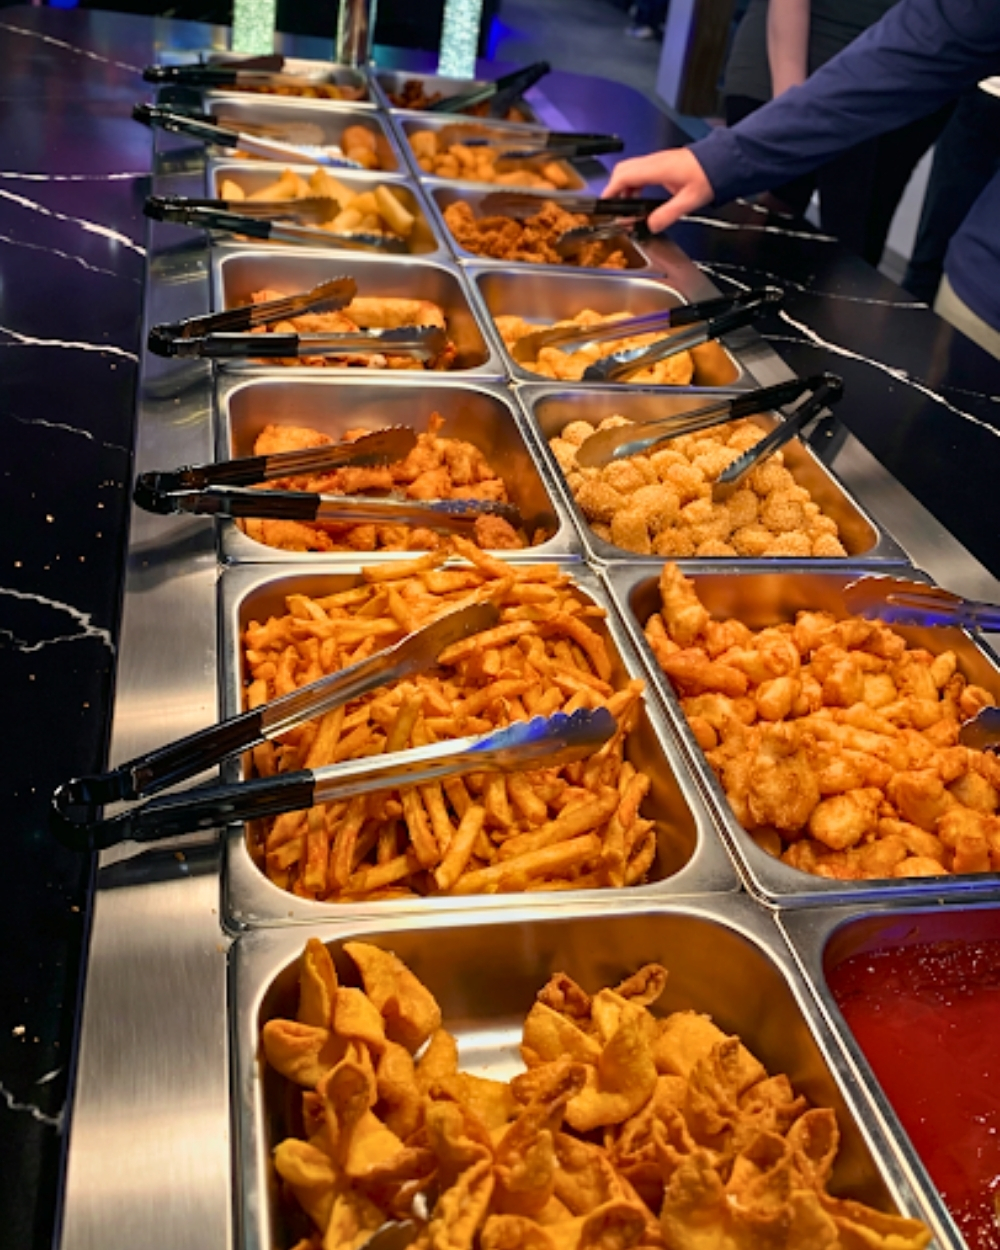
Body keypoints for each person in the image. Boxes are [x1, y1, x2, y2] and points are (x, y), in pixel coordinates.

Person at [604, 0, 1000, 356]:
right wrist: (727, 157)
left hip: (896, 121)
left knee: (849, 258)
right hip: (986, 288)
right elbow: (936, 36)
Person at [722, 0, 952, 266]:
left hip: (898, 75)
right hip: (795, 53)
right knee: (761, 217)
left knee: (856, 241)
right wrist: (789, 109)